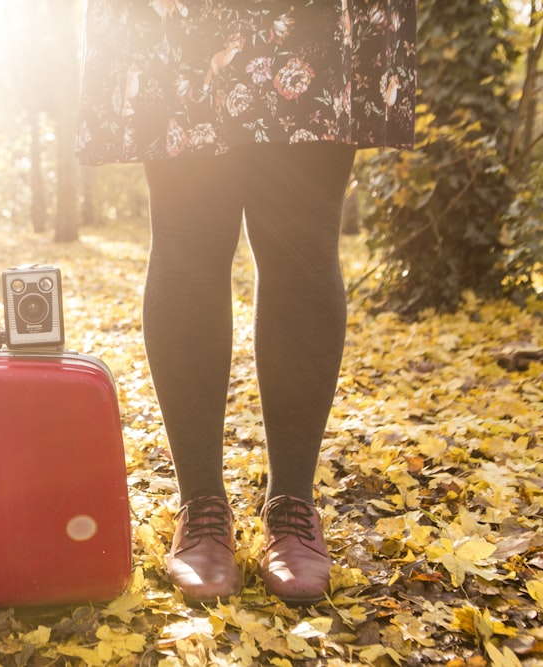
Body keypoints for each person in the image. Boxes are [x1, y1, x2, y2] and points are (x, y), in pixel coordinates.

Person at [77, 0, 416, 605]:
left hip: (315, 19)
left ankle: (292, 505)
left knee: (304, 247)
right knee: (186, 243)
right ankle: (201, 505)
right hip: (180, 19)